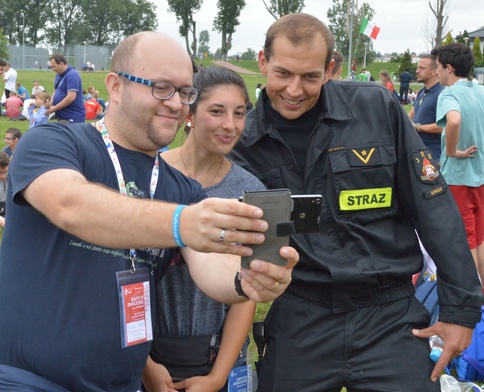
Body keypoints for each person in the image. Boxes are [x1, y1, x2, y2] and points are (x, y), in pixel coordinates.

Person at [0, 31, 298, 391]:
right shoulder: (54, 143)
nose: (175, 103)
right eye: (160, 87)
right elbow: (70, 205)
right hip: (27, 380)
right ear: (116, 86)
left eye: (185, 92)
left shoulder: (181, 189)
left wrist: (248, 278)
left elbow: (210, 267)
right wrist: (180, 222)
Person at [229, 13, 482, 392]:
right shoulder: (242, 141)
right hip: (302, 313)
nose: (294, 90)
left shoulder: (376, 109)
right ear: (263, 63)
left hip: (389, 315)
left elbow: (434, 208)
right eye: (283, 73)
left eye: (310, 76)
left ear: (330, 68)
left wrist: (461, 312)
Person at [143, 66, 265, 392]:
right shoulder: (147, 178)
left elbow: (246, 292)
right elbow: (121, 277)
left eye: (239, 113)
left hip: (218, 361)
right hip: (147, 358)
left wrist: (216, 377)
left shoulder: (249, 191)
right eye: (217, 111)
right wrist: (144, 364)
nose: (230, 125)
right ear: (190, 114)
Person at [433, 42, 484, 286]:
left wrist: (452, 151)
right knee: (480, 240)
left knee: (466, 242)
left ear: (449, 68)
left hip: (458, 179)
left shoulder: (449, 94)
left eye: (438, 67)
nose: (436, 72)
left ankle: (470, 302)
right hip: (480, 177)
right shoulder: (480, 90)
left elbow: (453, 121)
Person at [408, 55, 445, 163]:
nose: (417, 71)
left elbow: (443, 126)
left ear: (434, 71)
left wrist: (417, 127)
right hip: (418, 149)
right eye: (417, 68)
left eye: (422, 68)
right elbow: (411, 115)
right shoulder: (421, 91)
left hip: (433, 154)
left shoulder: (442, 94)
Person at [45, 53, 86, 123]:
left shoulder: (72, 75)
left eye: (54, 67)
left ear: (61, 64)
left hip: (72, 117)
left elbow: (71, 97)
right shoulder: (59, 75)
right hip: (62, 116)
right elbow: (56, 90)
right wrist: (50, 103)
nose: (52, 69)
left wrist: (54, 108)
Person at [0, 151, 9, 228]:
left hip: (6, 206)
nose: (3, 176)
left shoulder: (11, 176)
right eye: (0, 172)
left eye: (5, 172)